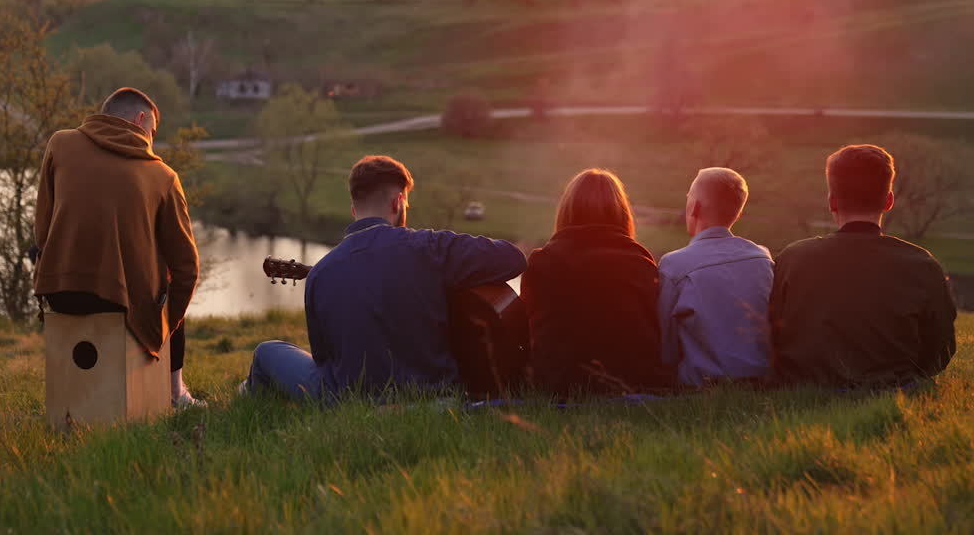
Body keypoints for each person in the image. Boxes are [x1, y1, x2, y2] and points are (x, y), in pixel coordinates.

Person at [241, 155, 526, 400]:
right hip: (437, 397)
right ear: (398, 202)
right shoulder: (431, 248)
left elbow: (325, 361)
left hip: (349, 402)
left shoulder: (322, 273)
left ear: (354, 210)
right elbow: (513, 258)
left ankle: (246, 399)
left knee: (268, 352)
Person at [33, 87, 201, 407]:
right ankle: (175, 393)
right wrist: (167, 323)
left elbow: (43, 226)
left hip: (60, 293)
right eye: (152, 131)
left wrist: (50, 269)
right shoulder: (163, 176)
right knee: (168, 284)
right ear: (140, 120)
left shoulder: (60, 143)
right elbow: (187, 269)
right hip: (124, 305)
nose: (151, 140)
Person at [769, 144, 956, 387]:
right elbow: (940, 351)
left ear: (832, 201)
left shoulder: (792, 259)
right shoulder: (922, 265)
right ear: (889, 200)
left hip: (801, 389)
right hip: (894, 388)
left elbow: (771, 337)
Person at [521, 169, 673, 396]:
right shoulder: (641, 262)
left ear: (566, 212)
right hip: (634, 384)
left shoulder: (542, 262)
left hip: (559, 387)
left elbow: (529, 329)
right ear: (622, 214)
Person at [658, 167, 774, 386]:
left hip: (702, 386)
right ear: (738, 213)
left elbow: (667, 349)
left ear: (695, 207)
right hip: (761, 382)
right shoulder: (763, 258)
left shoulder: (674, 265)